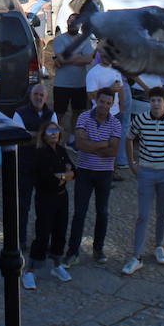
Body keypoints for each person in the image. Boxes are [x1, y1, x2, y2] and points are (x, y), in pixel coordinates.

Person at [121, 87, 164, 275]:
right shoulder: (141, 119)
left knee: (162, 212)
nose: (156, 104)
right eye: (153, 100)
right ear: (150, 102)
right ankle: (137, 255)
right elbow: (129, 138)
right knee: (143, 215)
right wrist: (132, 163)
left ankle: (159, 246)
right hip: (146, 171)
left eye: (159, 100)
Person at [64, 87, 122, 266]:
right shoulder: (83, 117)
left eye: (108, 103)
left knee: (102, 212)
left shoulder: (116, 124)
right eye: (102, 101)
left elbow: (112, 152)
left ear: (112, 105)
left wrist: (92, 144)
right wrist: (103, 144)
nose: (104, 106)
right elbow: (80, 145)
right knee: (79, 213)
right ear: (96, 100)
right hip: (85, 171)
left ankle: (98, 248)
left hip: (104, 173)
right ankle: (73, 251)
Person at [21, 122, 74, 289]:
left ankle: (56, 264)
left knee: (60, 232)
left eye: (56, 131)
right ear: (44, 135)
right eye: (50, 131)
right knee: (42, 234)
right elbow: (46, 179)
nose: (54, 134)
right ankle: (30, 271)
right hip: (45, 199)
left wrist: (62, 177)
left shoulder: (61, 151)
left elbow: (74, 170)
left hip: (61, 198)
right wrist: (65, 175)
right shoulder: (39, 154)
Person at [11, 84, 57, 243]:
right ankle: (20, 239)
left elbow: (54, 137)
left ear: (46, 98)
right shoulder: (19, 113)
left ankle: (42, 240)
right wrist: (42, 135)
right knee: (23, 206)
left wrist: (31, 135)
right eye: (36, 94)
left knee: (44, 206)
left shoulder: (51, 113)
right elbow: (19, 138)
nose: (38, 98)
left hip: (44, 167)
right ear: (31, 95)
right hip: (25, 166)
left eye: (41, 95)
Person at [52, 15, 95, 146]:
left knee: (78, 112)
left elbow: (89, 59)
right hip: (61, 84)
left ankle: (72, 137)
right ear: (67, 23)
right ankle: (56, 137)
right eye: (70, 22)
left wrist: (67, 58)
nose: (72, 24)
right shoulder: (59, 39)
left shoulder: (85, 39)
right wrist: (79, 57)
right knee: (59, 113)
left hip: (79, 83)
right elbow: (61, 58)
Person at [85, 56, 131, 172]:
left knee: (114, 144)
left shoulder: (115, 70)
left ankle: (111, 171)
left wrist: (121, 107)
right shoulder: (93, 73)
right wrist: (109, 89)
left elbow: (120, 89)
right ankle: (98, 170)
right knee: (101, 143)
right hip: (100, 114)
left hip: (116, 113)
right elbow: (90, 95)